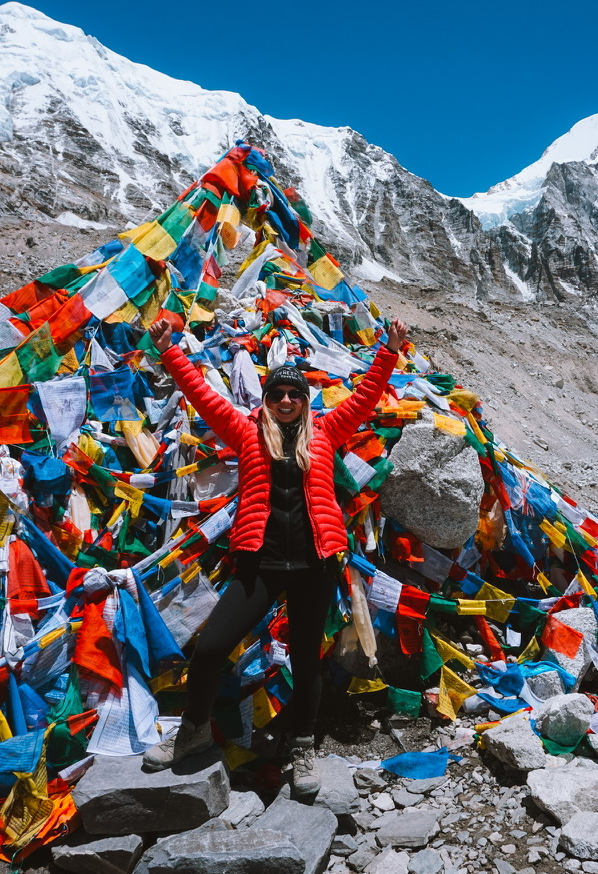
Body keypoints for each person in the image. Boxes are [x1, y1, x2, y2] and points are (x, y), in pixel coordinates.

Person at [142, 315, 407, 795]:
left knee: (306, 660)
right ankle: (193, 731)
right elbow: (203, 394)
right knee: (209, 649)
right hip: (258, 564)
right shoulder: (245, 433)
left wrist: (388, 351)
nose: (286, 401)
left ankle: (303, 745)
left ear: (305, 401)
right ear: (265, 401)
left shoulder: (327, 432)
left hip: (315, 565)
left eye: (295, 395)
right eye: (277, 395)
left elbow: (367, 396)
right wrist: (169, 350)